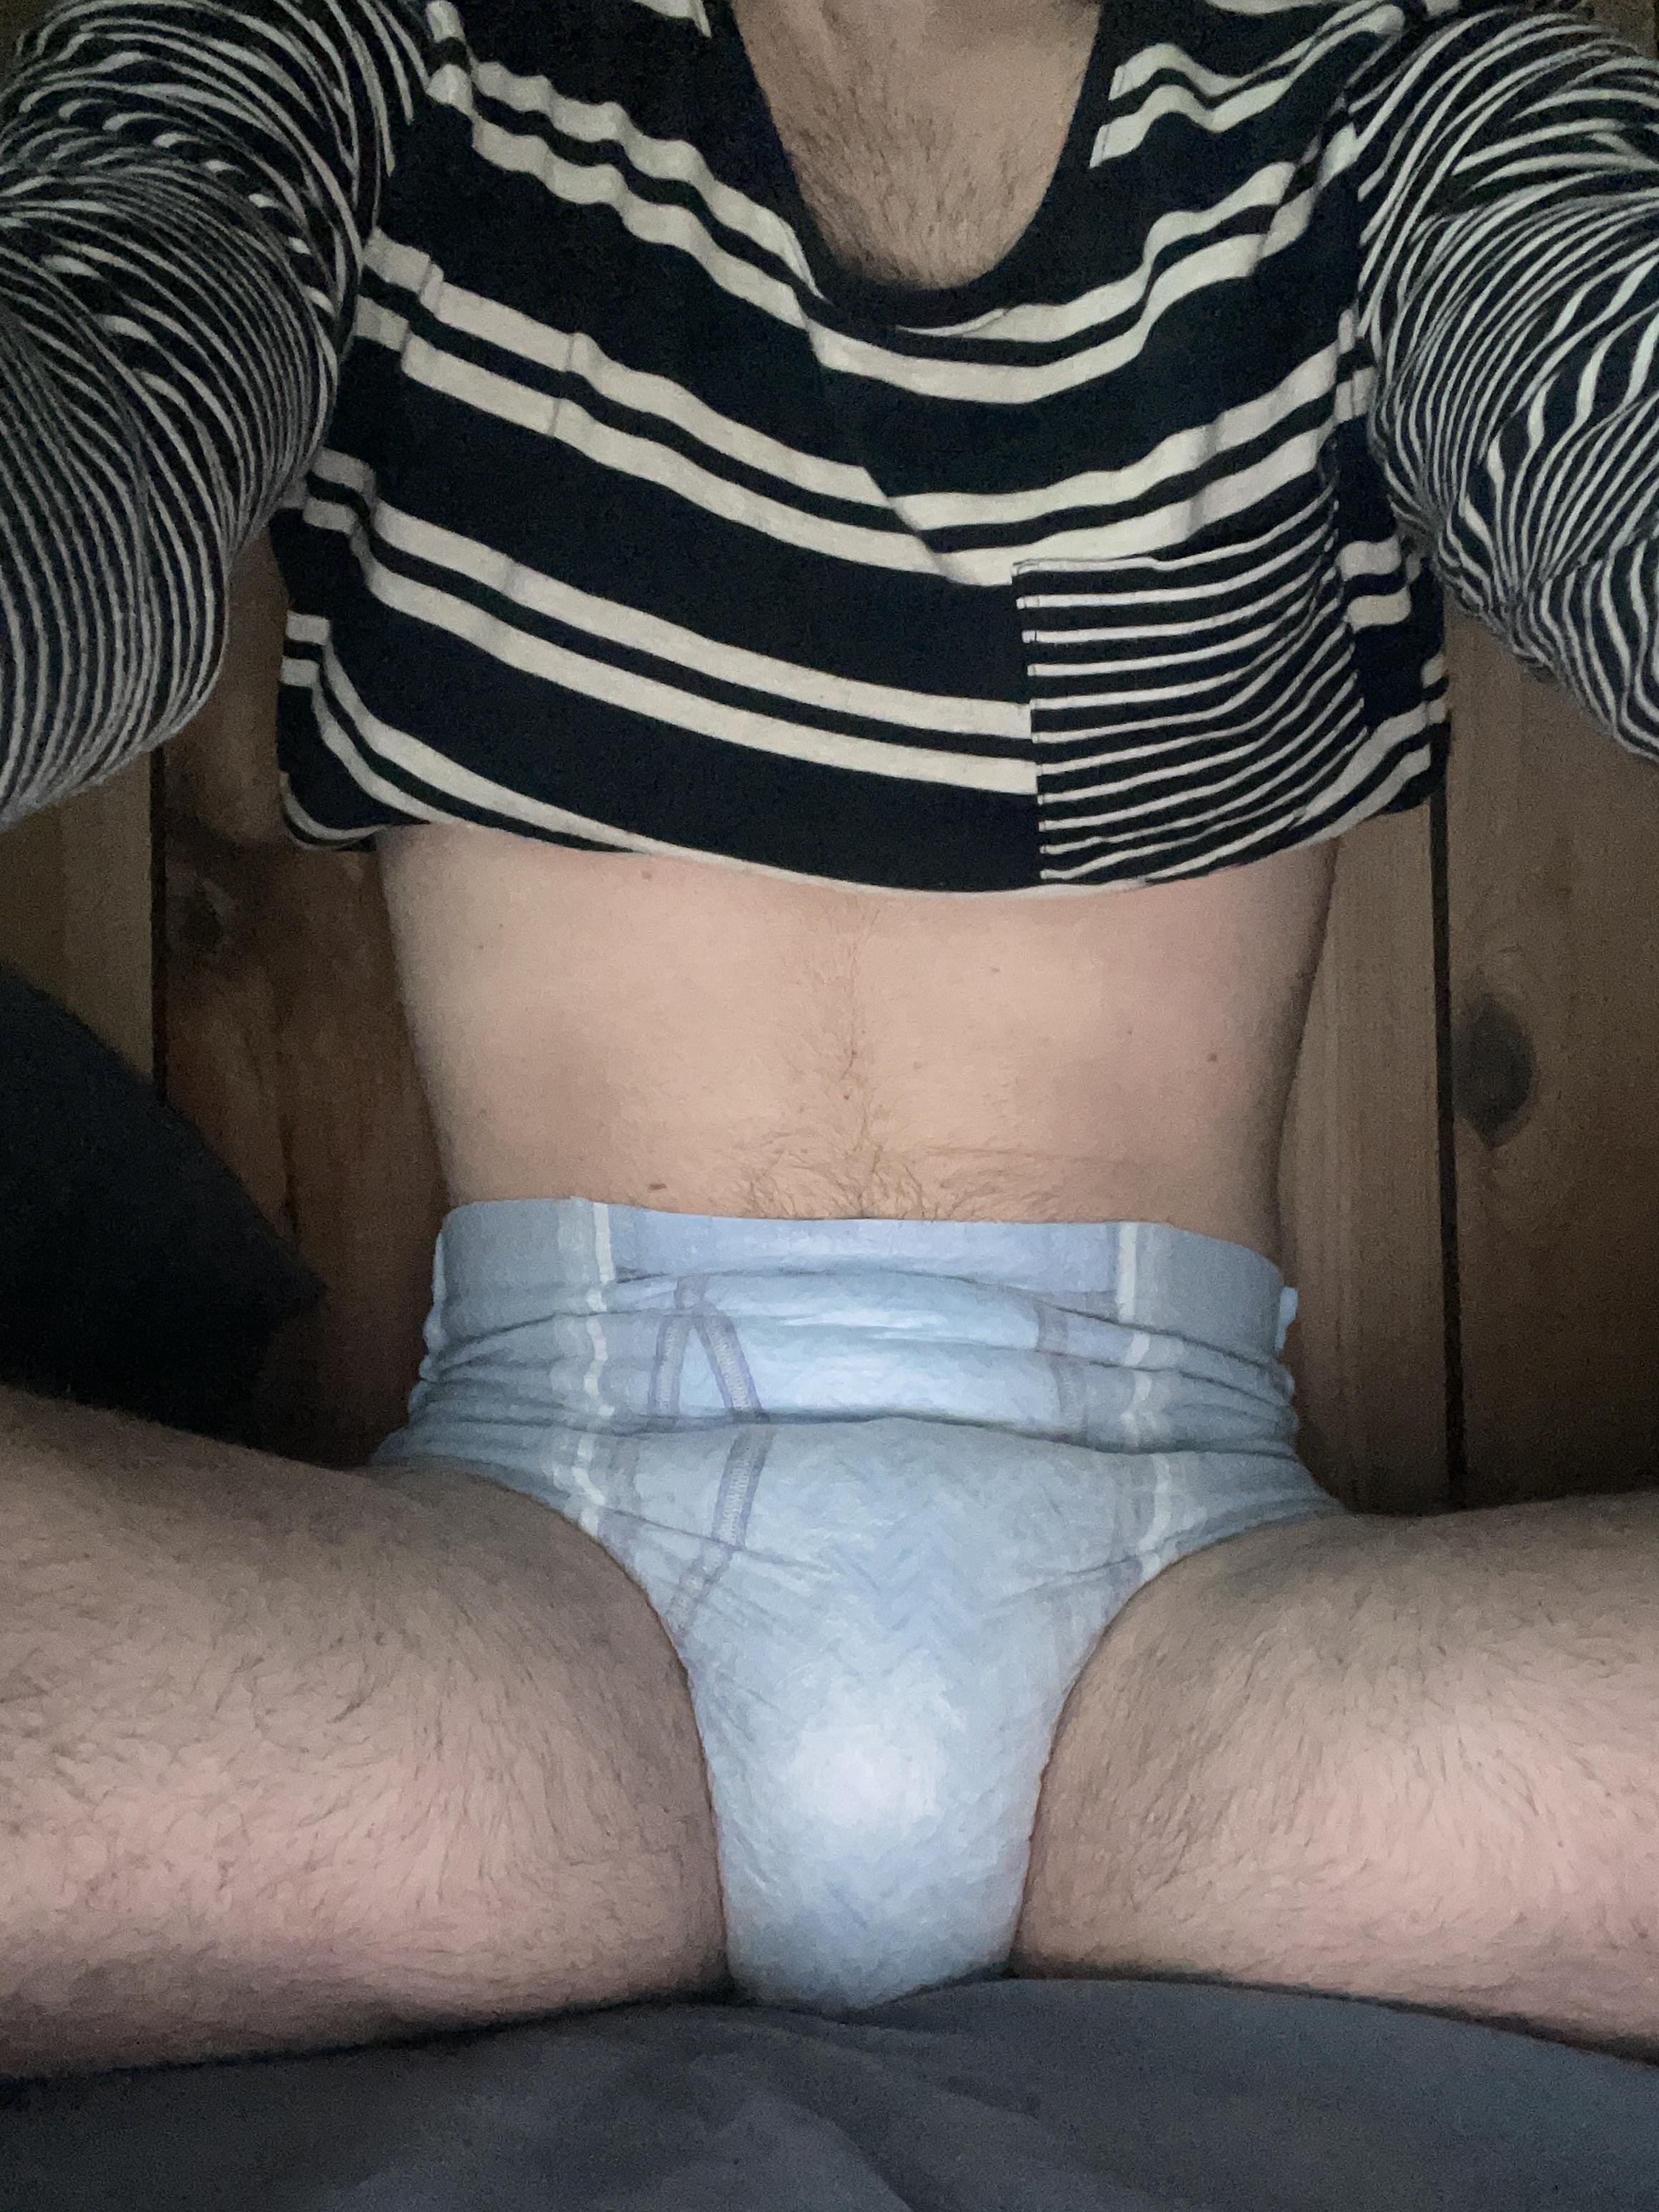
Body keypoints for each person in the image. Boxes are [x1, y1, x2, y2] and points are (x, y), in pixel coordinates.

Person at [2, 0, 1658, 2081]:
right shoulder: (360, 49)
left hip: (1209, 1673)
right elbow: (89, 416)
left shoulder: (1386, 96)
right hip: (522, 1632)